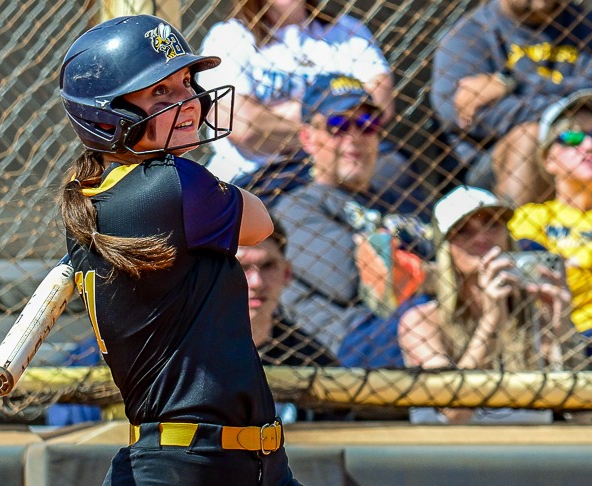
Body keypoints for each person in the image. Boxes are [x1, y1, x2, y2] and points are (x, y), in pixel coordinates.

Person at [58, 15, 301, 485]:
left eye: (186, 82)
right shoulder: (171, 184)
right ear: (109, 114)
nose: (188, 101)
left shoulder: (90, 197)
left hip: (231, 461)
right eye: (159, 94)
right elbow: (260, 223)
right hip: (192, 464)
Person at [270, 73, 433, 364]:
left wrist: (391, 258)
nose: (354, 138)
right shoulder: (296, 209)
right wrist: (443, 273)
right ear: (308, 138)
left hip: (422, 319)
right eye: (338, 125)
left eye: (367, 125)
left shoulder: (397, 200)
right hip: (355, 342)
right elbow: (353, 280)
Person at [399, 186, 574, 424]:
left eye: (492, 225)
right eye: (464, 231)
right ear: (446, 249)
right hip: (455, 457)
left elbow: (582, 415)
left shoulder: (535, 319)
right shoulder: (421, 322)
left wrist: (562, 323)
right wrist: (491, 321)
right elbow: (455, 413)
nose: (482, 238)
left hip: (531, 454)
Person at [431, 0, 592, 205]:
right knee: (530, 136)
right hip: (491, 172)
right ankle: (521, 234)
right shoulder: (469, 35)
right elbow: (466, 113)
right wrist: (571, 106)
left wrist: (511, 84)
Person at [197, 0, 396, 184]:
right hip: (253, 176)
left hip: (332, 175)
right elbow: (241, 127)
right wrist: (329, 115)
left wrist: (275, 114)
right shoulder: (229, 37)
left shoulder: (347, 32)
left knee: (397, 167)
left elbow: (381, 104)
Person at [509, 89, 592, 371]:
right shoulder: (531, 221)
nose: (590, 146)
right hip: (576, 341)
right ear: (548, 160)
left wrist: (581, 265)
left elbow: (565, 277)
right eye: (572, 138)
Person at [237, 217, 343, 423]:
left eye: (268, 266)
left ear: (286, 273)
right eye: (241, 267)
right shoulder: (184, 349)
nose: (257, 282)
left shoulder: (309, 357)